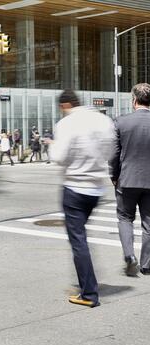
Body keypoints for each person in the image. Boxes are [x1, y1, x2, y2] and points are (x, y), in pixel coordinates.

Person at [51, 90, 115, 308]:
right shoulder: (102, 120)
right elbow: (110, 151)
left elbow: (58, 157)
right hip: (97, 190)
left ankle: (89, 293)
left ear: (64, 105)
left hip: (75, 188)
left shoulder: (67, 124)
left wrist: (52, 145)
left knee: (78, 241)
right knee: (81, 238)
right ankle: (88, 281)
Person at [110, 83, 150, 277]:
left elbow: (114, 154)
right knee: (149, 224)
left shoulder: (120, 122)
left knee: (124, 218)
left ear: (134, 100)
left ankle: (129, 256)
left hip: (126, 180)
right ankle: (147, 264)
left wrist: (113, 176)